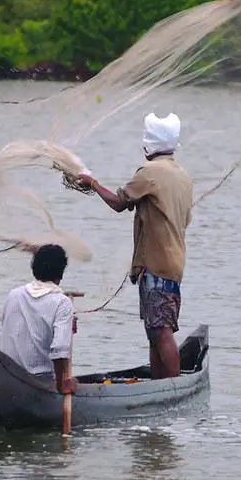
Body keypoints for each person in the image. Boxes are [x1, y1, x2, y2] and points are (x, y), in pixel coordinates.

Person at [76, 112, 193, 379]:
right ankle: (158, 382)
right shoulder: (182, 175)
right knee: (155, 330)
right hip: (173, 263)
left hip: (157, 265)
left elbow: (119, 203)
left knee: (161, 331)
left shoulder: (150, 173)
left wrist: (92, 183)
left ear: (149, 144)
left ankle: (171, 388)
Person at [0, 244, 77, 394]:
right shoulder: (62, 302)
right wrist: (60, 386)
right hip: (39, 381)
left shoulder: (14, 294)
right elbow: (60, 350)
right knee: (74, 383)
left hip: (5, 377)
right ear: (61, 273)